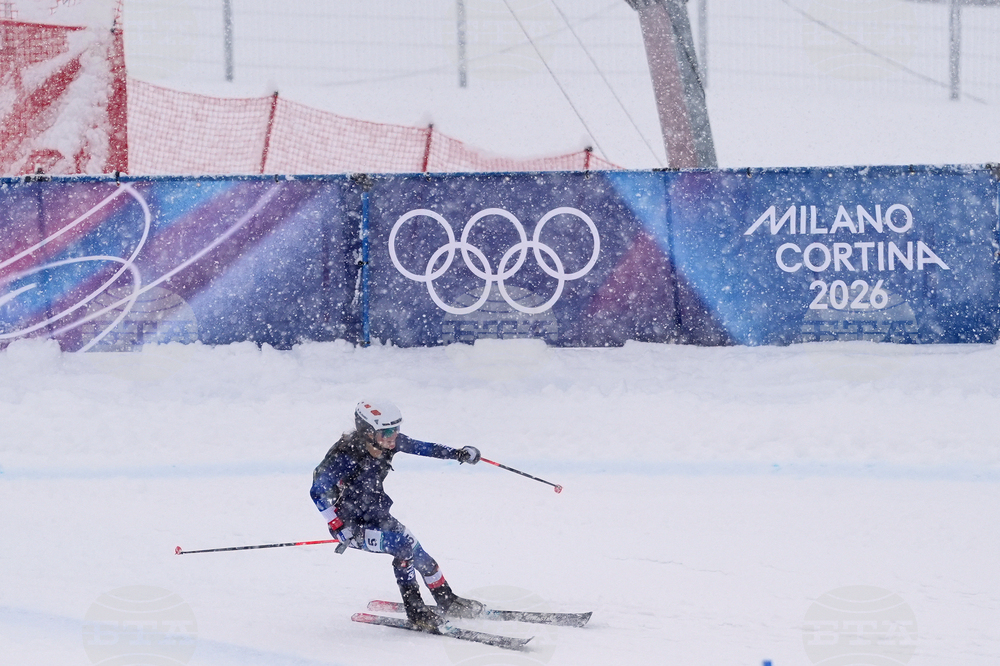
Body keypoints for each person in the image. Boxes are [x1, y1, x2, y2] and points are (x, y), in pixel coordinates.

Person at [310, 399, 484, 632]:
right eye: (388, 431)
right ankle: (417, 612)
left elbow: (426, 448)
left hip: (376, 514)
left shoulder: (389, 443)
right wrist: (340, 527)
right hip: (351, 526)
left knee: (418, 552)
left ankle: (447, 600)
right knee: (402, 547)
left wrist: (459, 454)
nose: (394, 436)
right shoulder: (345, 455)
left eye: (397, 429)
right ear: (368, 432)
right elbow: (317, 492)